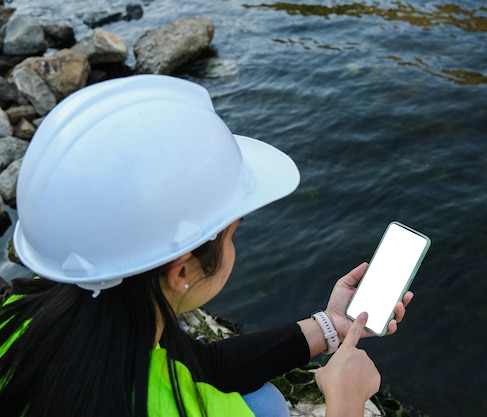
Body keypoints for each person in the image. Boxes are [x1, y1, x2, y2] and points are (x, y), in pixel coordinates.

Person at [0, 75, 413, 417]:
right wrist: (346, 399)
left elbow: (200, 367)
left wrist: (328, 327)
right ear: (182, 271)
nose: (234, 245)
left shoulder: (24, 318)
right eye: (233, 232)